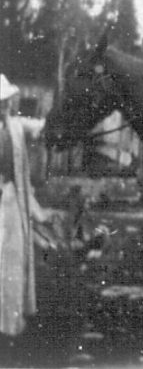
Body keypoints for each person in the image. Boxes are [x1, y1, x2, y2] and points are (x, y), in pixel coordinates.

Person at [0, 73, 57, 337]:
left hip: (12, 200)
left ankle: (10, 324)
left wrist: (56, 118)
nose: (5, 106)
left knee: (12, 259)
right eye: (1, 102)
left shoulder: (15, 126)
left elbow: (41, 127)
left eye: (6, 101)